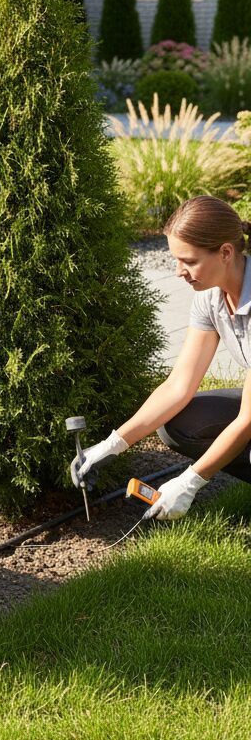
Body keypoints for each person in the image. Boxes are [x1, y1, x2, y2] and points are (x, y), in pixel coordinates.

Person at [72, 195, 251, 520]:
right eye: (175, 260)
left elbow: (247, 419)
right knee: (180, 424)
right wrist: (112, 445)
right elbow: (178, 386)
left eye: (189, 261)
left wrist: (191, 481)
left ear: (225, 252)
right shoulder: (211, 297)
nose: (180, 272)